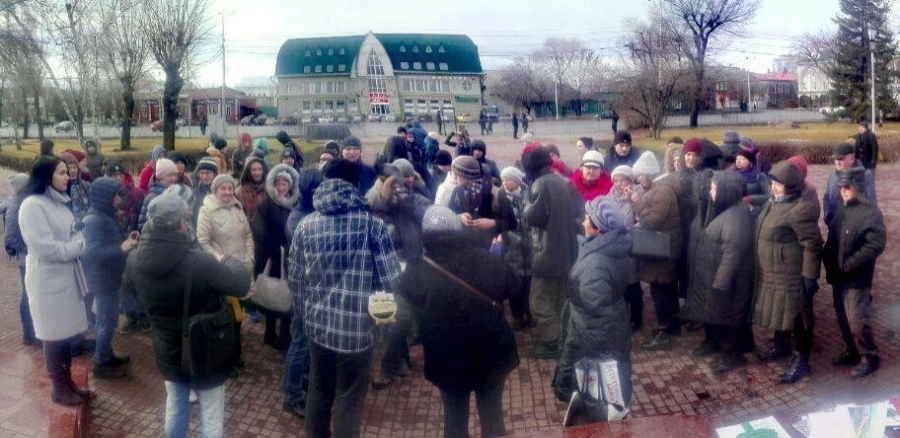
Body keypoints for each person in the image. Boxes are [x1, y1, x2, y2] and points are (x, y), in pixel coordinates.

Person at [288, 159, 401, 438]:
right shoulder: (371, 225)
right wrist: (382, 325)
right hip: (358, 331)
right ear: (357, 185)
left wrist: (304, 317)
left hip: (318, 328)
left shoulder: (306, 225)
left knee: (319, 390)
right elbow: (390, 281)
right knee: (349, 399)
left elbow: (297, 280)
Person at [122, 193, 251, 437]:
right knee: (211, 412)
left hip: (167, 348)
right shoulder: (201, 261)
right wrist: (226, 259)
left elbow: (129, 291)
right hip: (207, 348)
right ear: (181, 224)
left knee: (176, 403)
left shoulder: (135, 259)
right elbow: (241, 285)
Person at [397, 206, 519, 438]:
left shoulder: (417, 269)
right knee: (492, 415)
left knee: (454, 419)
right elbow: (514, 286)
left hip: (446, 356)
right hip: (491, 350)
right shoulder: (485, 257)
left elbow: (407, 303)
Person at [18, 156, 91, 405]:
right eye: (61, 172)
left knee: (65, 335)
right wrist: (77, 247)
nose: (68, 176)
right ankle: (58, 387)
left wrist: (78, 241)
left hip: (66, 279)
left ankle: (68, 381)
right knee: (53, 336)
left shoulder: (59, 203)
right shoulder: (32, 206)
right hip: (47, 281)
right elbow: (45, 247)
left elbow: (74, 232)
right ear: (46, 175)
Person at [553, 197, 633, 403]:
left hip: (587, 334)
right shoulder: (612, 249)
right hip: (614, 320)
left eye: (588, 219)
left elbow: (593, 315)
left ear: (598, 229)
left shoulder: (595, 265)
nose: (583, 223)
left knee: (592, 391)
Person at [753, 161, 823, 384]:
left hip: (792, 274)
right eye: (772, 182)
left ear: (791, 186)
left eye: (778, 184)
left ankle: (802, 361)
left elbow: (812, 244)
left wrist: (810, 277)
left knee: (797, 318)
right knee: (778, 311)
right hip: (773, 271)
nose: (773, 187)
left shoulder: (798, 210)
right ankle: (781, 346)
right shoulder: (773, 204)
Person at [683, 172, 755, 374]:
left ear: (727, 192)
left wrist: (721, 282)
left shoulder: (736, 218)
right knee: (713, 312)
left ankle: (732, 356)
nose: (711, 192)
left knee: (730, 317)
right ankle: (712, 343)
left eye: (715, 189)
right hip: (709, 274)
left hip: (727, 281)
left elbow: (733, 254)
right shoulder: (720, 209)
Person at [824, 167, 886, 378]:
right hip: (838, 275)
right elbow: (834, 236)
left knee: (857, 319)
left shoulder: (870, 212)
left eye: (847, 186)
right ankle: (852, 351)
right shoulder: (841, 208)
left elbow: (876, 243)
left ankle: (870, 356)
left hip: (855, 277)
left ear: (858, 187)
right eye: (841, 186)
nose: (843, 190)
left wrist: (851, 263)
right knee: (842, 317)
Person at [521, 144, 578, 359]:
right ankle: (562, 337)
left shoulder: (540, 184)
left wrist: (526, 201)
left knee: (539, 302)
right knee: (559, 299)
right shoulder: (558, 180)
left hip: (546, 254)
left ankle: (552, 342)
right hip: (564, 252)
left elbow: (533, 217)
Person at [83, 177, 138, 379]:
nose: (119, 199)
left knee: (109, 320)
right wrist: (120, 248)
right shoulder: (94, 219)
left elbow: (110, 241)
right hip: (103, 279)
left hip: (111, 276)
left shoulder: (107, 214)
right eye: (116, 195)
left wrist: (126, 240)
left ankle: (106, 354)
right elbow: (90, 253)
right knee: (107, 321)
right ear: (104, 197)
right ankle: (100, 363)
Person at [632, 151, 684, 351]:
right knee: (667, 288)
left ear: (650, 173)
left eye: (640, 175)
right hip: (664, 248)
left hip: (662, 250)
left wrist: (637, 203)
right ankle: (672, 326)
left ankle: (664, 331)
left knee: (660, 290)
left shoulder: (661, 191)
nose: (638, 179)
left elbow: (653, 221)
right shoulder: (659, 188)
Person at [254, 164, 300, 351]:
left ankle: (284, 335)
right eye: (278, 184)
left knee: (288, 294)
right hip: (274, 256)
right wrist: (276, 249)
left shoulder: (294, 204)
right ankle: (270, 332)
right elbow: (261, 231)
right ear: (273, 185)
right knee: (274, 293)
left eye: (285, 184)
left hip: (292, 256)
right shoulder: (265, 204)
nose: (282, 188)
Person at [607, 165, 644, 331]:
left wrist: (634, 201)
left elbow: (643, 219)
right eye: (616, 180)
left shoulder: (638, 194)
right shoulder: (610, 196)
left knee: (633, 283)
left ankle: (637, 319)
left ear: (630, 181)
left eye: (623, 180)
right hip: (614, 245)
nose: (619, 183)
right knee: (619, 283)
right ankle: (622, 316)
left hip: (631, 244)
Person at [4, 174, 38, 346]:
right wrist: (28, 249)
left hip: (30, 256)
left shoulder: (25, 201)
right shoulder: (17, 204)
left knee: (31, 293)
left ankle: (32, 331)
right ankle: (29, 333)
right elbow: (10, 237)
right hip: (26, 259)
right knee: (28, 294)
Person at [497, 167, 533, 331]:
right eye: (503, 179)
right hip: (512, 247)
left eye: (508, 179)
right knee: (515, 283)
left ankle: (530, 313)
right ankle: (517, 316)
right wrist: (512, 238)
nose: (504, 183)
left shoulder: (528, 193)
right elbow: (501, 221)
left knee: (530, 283)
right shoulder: (501, 195)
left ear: (517, 181)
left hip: (531, 246)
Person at [824, 143, 877, 229]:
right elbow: (826, 197)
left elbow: (871, 203)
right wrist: (828, 218)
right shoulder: (832, 174)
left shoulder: (865, 176)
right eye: (835, 159)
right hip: (834, 225)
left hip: (855, 228)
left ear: (852, 159)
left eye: (840, 158)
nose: (837, 162)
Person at [138, 158, 179, 232]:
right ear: (160, 177)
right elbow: (142, 224)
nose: (173, 178)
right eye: (169, 175)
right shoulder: (151, 198)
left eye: (175, 175)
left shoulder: (177, 194)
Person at [58, 152, 92, 228]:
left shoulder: (85, 185)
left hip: (86, 227)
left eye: (75, 167)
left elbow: (91, 207)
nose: (73, 171)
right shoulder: (57, 191)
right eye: (69, 168)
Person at [732, 149, 770, 214]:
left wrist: (751, 199)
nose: (738, 161)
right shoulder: (730, 175)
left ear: (751, 162)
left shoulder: (760, 176)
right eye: (737, 159)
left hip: (754, 211)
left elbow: (769, 196)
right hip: (734, 211)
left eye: (743, 159)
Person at [234, 157, 268, 223]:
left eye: (260, 169)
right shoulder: (239, 192)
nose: (257, 173)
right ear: (248, 171)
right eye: (254, 170)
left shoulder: (269, 190)